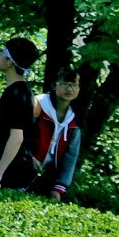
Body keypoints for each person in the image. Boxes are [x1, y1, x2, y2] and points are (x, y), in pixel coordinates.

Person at [0, 37, 42, 189]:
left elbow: (17, 137)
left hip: (13, 174)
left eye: (1, 52)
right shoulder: (21, 91)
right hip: (12, 172)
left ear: (10, 62)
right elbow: (5, 127)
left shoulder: (17, 94)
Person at [29, 67, 84, 200]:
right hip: (24, 166)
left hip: (48, 177)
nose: (70, 89)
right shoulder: (38, 104)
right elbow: (20, 133)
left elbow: (71, 156)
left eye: (74, 85)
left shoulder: (74, 119)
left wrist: (59, 187)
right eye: (65, 84)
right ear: (54, 85)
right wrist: (27, 156)